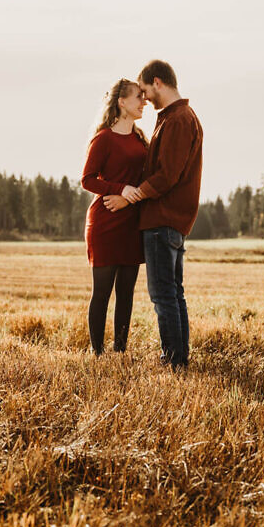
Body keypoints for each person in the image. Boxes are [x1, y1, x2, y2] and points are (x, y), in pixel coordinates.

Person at [104, 60, 202, 369]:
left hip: (163, 219)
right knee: (174, 293)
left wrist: (131, 197)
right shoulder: (178, 117)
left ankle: (173, 360)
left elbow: (166, 176)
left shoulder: (177, 120)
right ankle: (179, 358)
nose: (144, 98)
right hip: (171, 219)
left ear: (157, 82)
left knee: (163, 295)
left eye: (145, 90)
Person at [80, 79, 148, 355]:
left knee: (126, 294)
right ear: (121, 102)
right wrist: (120, 190)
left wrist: (129, 196)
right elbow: (87, 180)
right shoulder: (104, 138)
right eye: (138, 97)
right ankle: (97, 353)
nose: (144, 102)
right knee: (102, 293)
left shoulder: (141, 139)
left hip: (132, 224)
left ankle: (120, 352)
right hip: (105, 222)